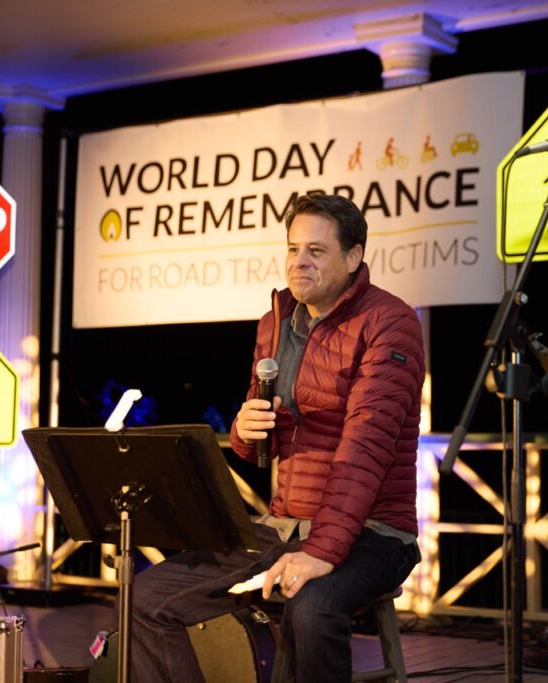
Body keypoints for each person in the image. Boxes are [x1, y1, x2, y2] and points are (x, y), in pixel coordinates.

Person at [130, 192, 425, 682]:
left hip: (376, 529)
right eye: (292, 249)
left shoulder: (389, 322)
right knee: (147, 597)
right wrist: (244, 432)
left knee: (311, 607)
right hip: (286, 523)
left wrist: (320, 552)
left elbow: (365, 449)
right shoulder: (274, 324)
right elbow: (258, 451)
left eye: (316, 250)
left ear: (354, 258)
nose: (299, 262)